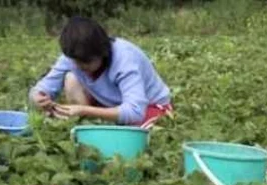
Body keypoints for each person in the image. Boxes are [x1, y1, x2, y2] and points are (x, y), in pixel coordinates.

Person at [29, 16, 173, 129]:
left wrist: (85, 110)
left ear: (102, 52)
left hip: (148, 106)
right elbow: (42, 88)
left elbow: (135, 111)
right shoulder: (73, 57)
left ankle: (95, 120)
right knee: (71, 79)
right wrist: (38, 98)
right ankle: (90, 123)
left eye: (86, 62)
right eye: (76, 61)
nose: (80, 66)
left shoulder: (124, 59)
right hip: (109, 103)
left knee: (137, 133)